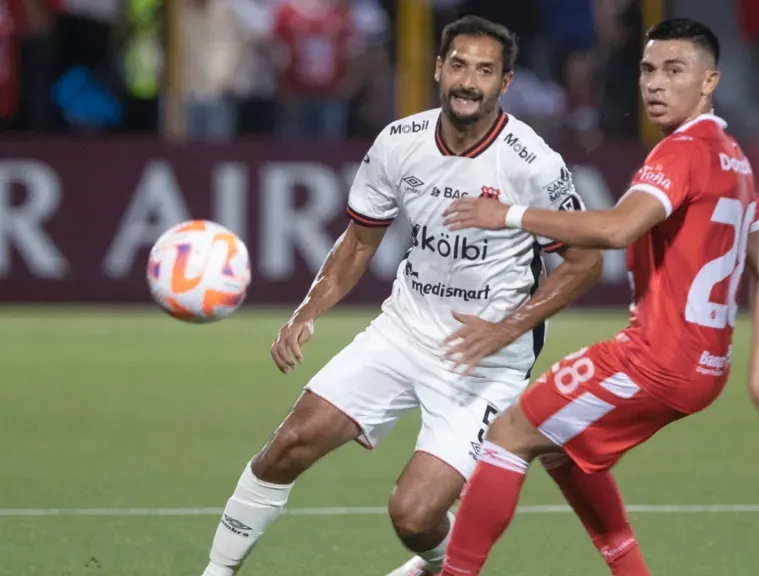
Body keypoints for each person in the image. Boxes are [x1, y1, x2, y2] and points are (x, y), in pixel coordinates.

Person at [198, 15, 603, 576]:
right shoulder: (400, 142)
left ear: (505, 84)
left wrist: (506, 329)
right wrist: (307, 311)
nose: (468, 81)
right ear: (438, 68)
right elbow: (360, 241)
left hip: (482, 361)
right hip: (403, 330)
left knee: (412, 516)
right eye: (458, 65)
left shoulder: (530, 163)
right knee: (288, 445)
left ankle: (443, 563)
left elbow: (585, 262)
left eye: (485, 71)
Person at [437, 18, 759, 576]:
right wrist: (758, 379)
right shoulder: (733, 157)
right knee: (562, 446)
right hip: (704, 365)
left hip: (657, 359)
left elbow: (618, 229)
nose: (655, 84)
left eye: (674, 71)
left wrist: (508, 215)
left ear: (709, 82)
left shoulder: (681, 153)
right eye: (647, 70)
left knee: (510, 433)